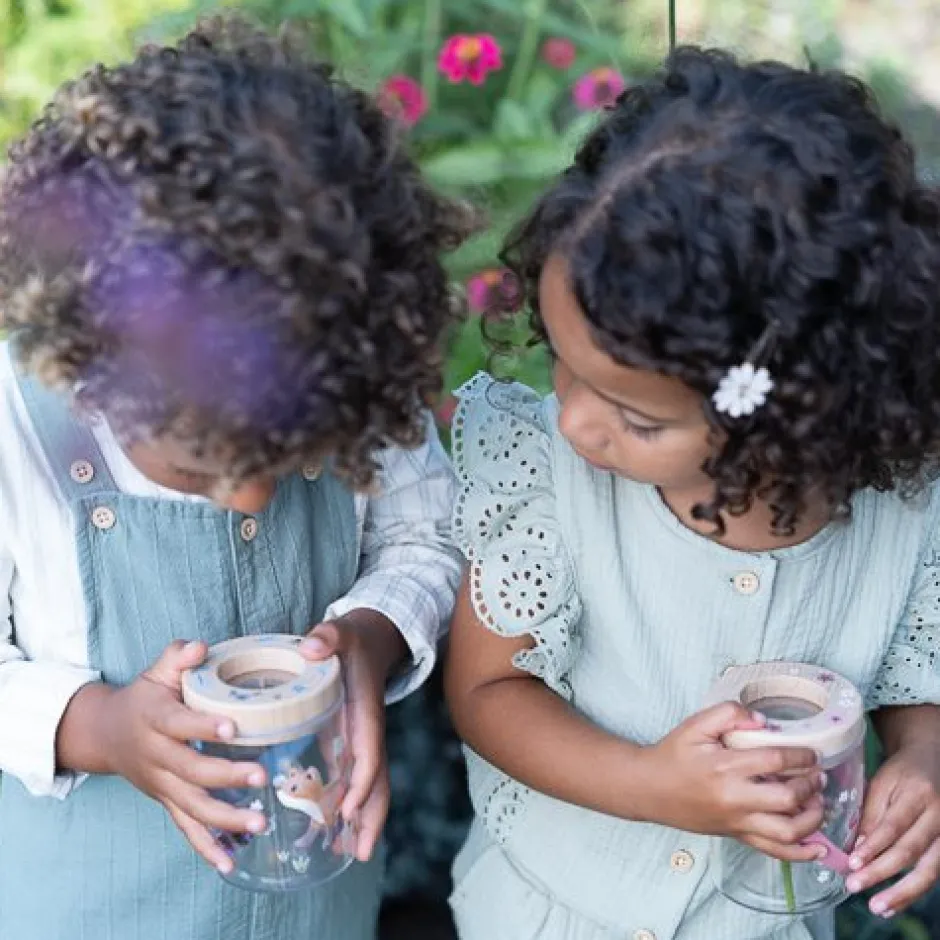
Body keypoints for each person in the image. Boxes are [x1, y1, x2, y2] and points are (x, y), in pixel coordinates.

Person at [445, 46, 940, 940]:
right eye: (563, 365)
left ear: (792, 417)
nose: (575, 426)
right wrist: (649, 785)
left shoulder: (902, 510)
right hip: (550, 913)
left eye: (637, 420)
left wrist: (925, 759)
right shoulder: (546, 474)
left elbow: (918, 673)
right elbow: (486, 689)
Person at [0, 15, 473, 940]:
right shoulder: (20, 424)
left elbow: (425, 533)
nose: (256, 496)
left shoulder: (343, 360)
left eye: (298, 459)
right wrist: (99, 728)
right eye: (205, 462)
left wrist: (367, 645)